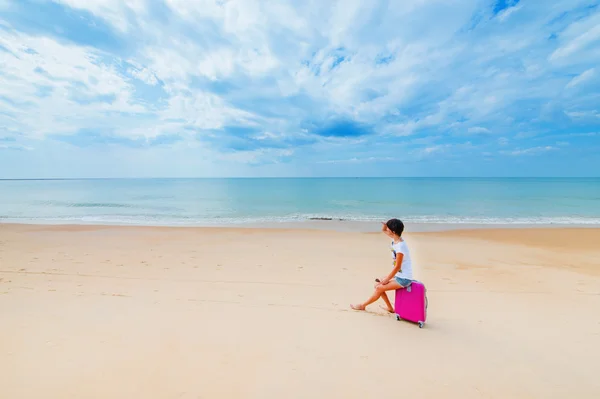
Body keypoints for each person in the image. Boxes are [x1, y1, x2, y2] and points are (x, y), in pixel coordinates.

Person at [351, 218, 414, 312]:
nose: (386, 230)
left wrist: (386, 280)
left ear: (393, 231)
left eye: (388, 228)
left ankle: (362, 305)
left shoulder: (400, 247)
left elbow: (397, 267)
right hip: (399, 276)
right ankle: (390, 308)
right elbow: (384, 230)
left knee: (379, 288)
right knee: (377, 284)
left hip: (404, 279)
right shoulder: (396, 239)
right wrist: (386, 225)